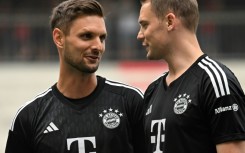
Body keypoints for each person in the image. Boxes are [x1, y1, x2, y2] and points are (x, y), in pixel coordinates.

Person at [5, 0, 146, 153]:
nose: (98, 46)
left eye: (102, 38)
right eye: (87, 36)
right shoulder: (30, 117)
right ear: (59, 38)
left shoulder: (130, 102)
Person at [137, 0, 245, 153]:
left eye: (145, 25)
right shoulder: (152, 90)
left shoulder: (215, 81)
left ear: (169, 21)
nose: (139, 35)